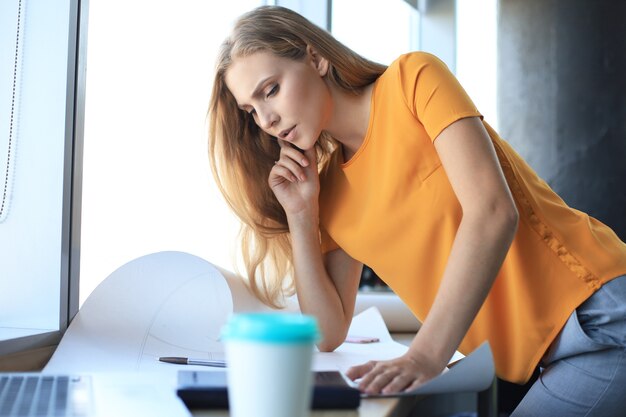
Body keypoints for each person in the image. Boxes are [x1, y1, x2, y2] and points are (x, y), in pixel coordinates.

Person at [208, 5, 626, 416]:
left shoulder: (412, 80)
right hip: (550, 355)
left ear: (314, 57)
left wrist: (425, 355)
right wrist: (301, 216)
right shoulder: (328, 191)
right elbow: (328, 332)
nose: (267, 119)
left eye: (271, 90)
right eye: (252, 110)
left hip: (598, 313)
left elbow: (494, 212)